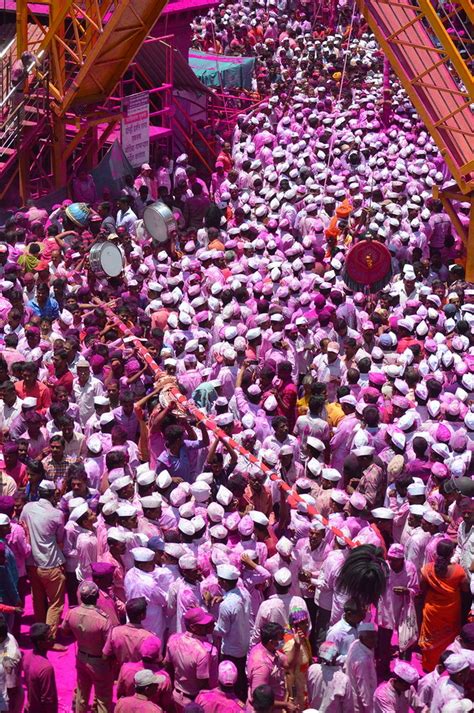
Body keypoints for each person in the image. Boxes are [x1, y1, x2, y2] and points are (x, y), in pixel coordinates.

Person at [19, 480, 66, 648]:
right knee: (55, 604)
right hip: (51, 563)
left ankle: (39, 636)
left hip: (32, 563)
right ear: (53, 494)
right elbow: (60, 539)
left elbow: (23, 527)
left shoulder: (27, 508)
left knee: (38, 601)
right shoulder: (57, 514)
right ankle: (49, 639)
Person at [61, 580, 114, 713]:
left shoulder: (72, 613)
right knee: (103, 697)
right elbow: (108, 648)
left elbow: (64, 630)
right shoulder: (103, 619)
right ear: (97, 597)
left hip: (81, 656)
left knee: (81, 695)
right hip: (99, 661)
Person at [419, 539, 468, 672]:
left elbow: (422, 588)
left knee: (431, 638)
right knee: (448, 639)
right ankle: (446, 666)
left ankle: (429, 666)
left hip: (431, 610)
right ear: (452, 553)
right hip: (451, 611)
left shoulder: (427, 569)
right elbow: (465, 590)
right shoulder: (459, 571)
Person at [214, 564, 251, 701]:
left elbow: (222, 630)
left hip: (231, 648)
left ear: (223, 582)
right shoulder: (244, 593)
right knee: (241, 675)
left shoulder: (226, 605)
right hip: (243, 642)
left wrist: (208, 623)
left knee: (230, 679)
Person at [22, 623, 58, 713]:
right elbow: (48, 699)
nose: (53, 638)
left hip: (30, 707)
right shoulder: (46, 668)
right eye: (49, 637)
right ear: (40, 643)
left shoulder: (27, 656)